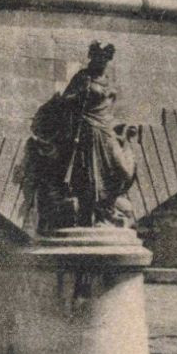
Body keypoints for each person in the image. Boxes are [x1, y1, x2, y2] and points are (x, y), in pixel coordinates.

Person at [58, 41, 137, 227]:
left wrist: (123, 127)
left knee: (122, 170)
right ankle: (97, 213)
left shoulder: (107, 80)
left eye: (104, 58)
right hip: (88, 130)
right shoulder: (83, 78)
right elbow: (64, 101)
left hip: (105, 129)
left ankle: (108, 207)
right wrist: (79, 95)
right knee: (91, 176)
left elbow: (109, 110)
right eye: (97, 57)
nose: (101, 61)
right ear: (92, 58)